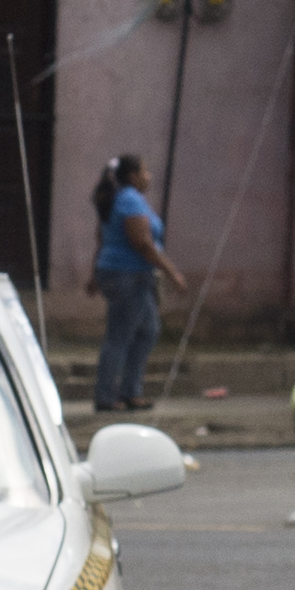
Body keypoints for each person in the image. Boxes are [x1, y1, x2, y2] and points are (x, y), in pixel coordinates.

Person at [85, 155, 184, 414]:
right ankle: (106, 396)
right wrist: (172, 272)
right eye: (145, 171)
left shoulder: (120, 199)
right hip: (127, 275)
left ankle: (131, 391)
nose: (149, 176)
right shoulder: (129, 199)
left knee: (148, 330)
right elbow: (142, 243)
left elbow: (101, 238)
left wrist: (94, 275)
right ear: (132, 176)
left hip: (124, 273)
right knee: (120, 336)